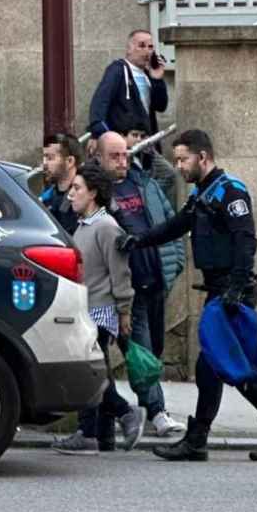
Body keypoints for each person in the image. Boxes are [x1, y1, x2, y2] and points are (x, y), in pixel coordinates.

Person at [118, 129, 257, 462]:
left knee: (229, 363)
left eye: (183, 159)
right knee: (212, 366)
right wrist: (139, 239)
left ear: (203, 157)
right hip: (220, 289)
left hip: (232, 291)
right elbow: (175, 226)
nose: (179, 167)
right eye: (176, 160)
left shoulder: (231, 192)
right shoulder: (203, 194)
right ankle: (209, 438)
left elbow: (246, 241)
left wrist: (236, 286)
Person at [51, 163, 145, 455]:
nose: (70, 195)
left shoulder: (106, 227)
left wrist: (124, 310)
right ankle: (96, 435)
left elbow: (120, 271)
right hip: (86, 309)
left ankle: (127, 414)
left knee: (92, 376)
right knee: (96, 372)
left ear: (93, 193)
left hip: (100, 311)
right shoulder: (84, 225)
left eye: (77, 188)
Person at [96, 132, 186, 437]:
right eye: (115, 156)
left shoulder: (144, 182)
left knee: (154, 350)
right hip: (127, 289)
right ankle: (158, 412)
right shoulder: (98, 193)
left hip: (157, 280)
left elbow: (169, 222)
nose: (122, 161)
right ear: (99, 156)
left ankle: (149, 410)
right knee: (141, 351)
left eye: (125, 154)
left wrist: (175, 266)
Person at [87, 30, 168, 152]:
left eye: (150, 47)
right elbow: (100, 103)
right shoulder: (118, 70)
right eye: (141, 45)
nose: (147, 50)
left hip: (145, 142)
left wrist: (157, 80)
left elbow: (161, 106)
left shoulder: (148, 75)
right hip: (124, 143)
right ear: (129, 48)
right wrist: (99, 133)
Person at [39, 133, 84, 235]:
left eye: (50, 158)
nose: (44, 164)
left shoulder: (86, 195)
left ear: (69, 161)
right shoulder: (48, 196)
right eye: (44, 158)